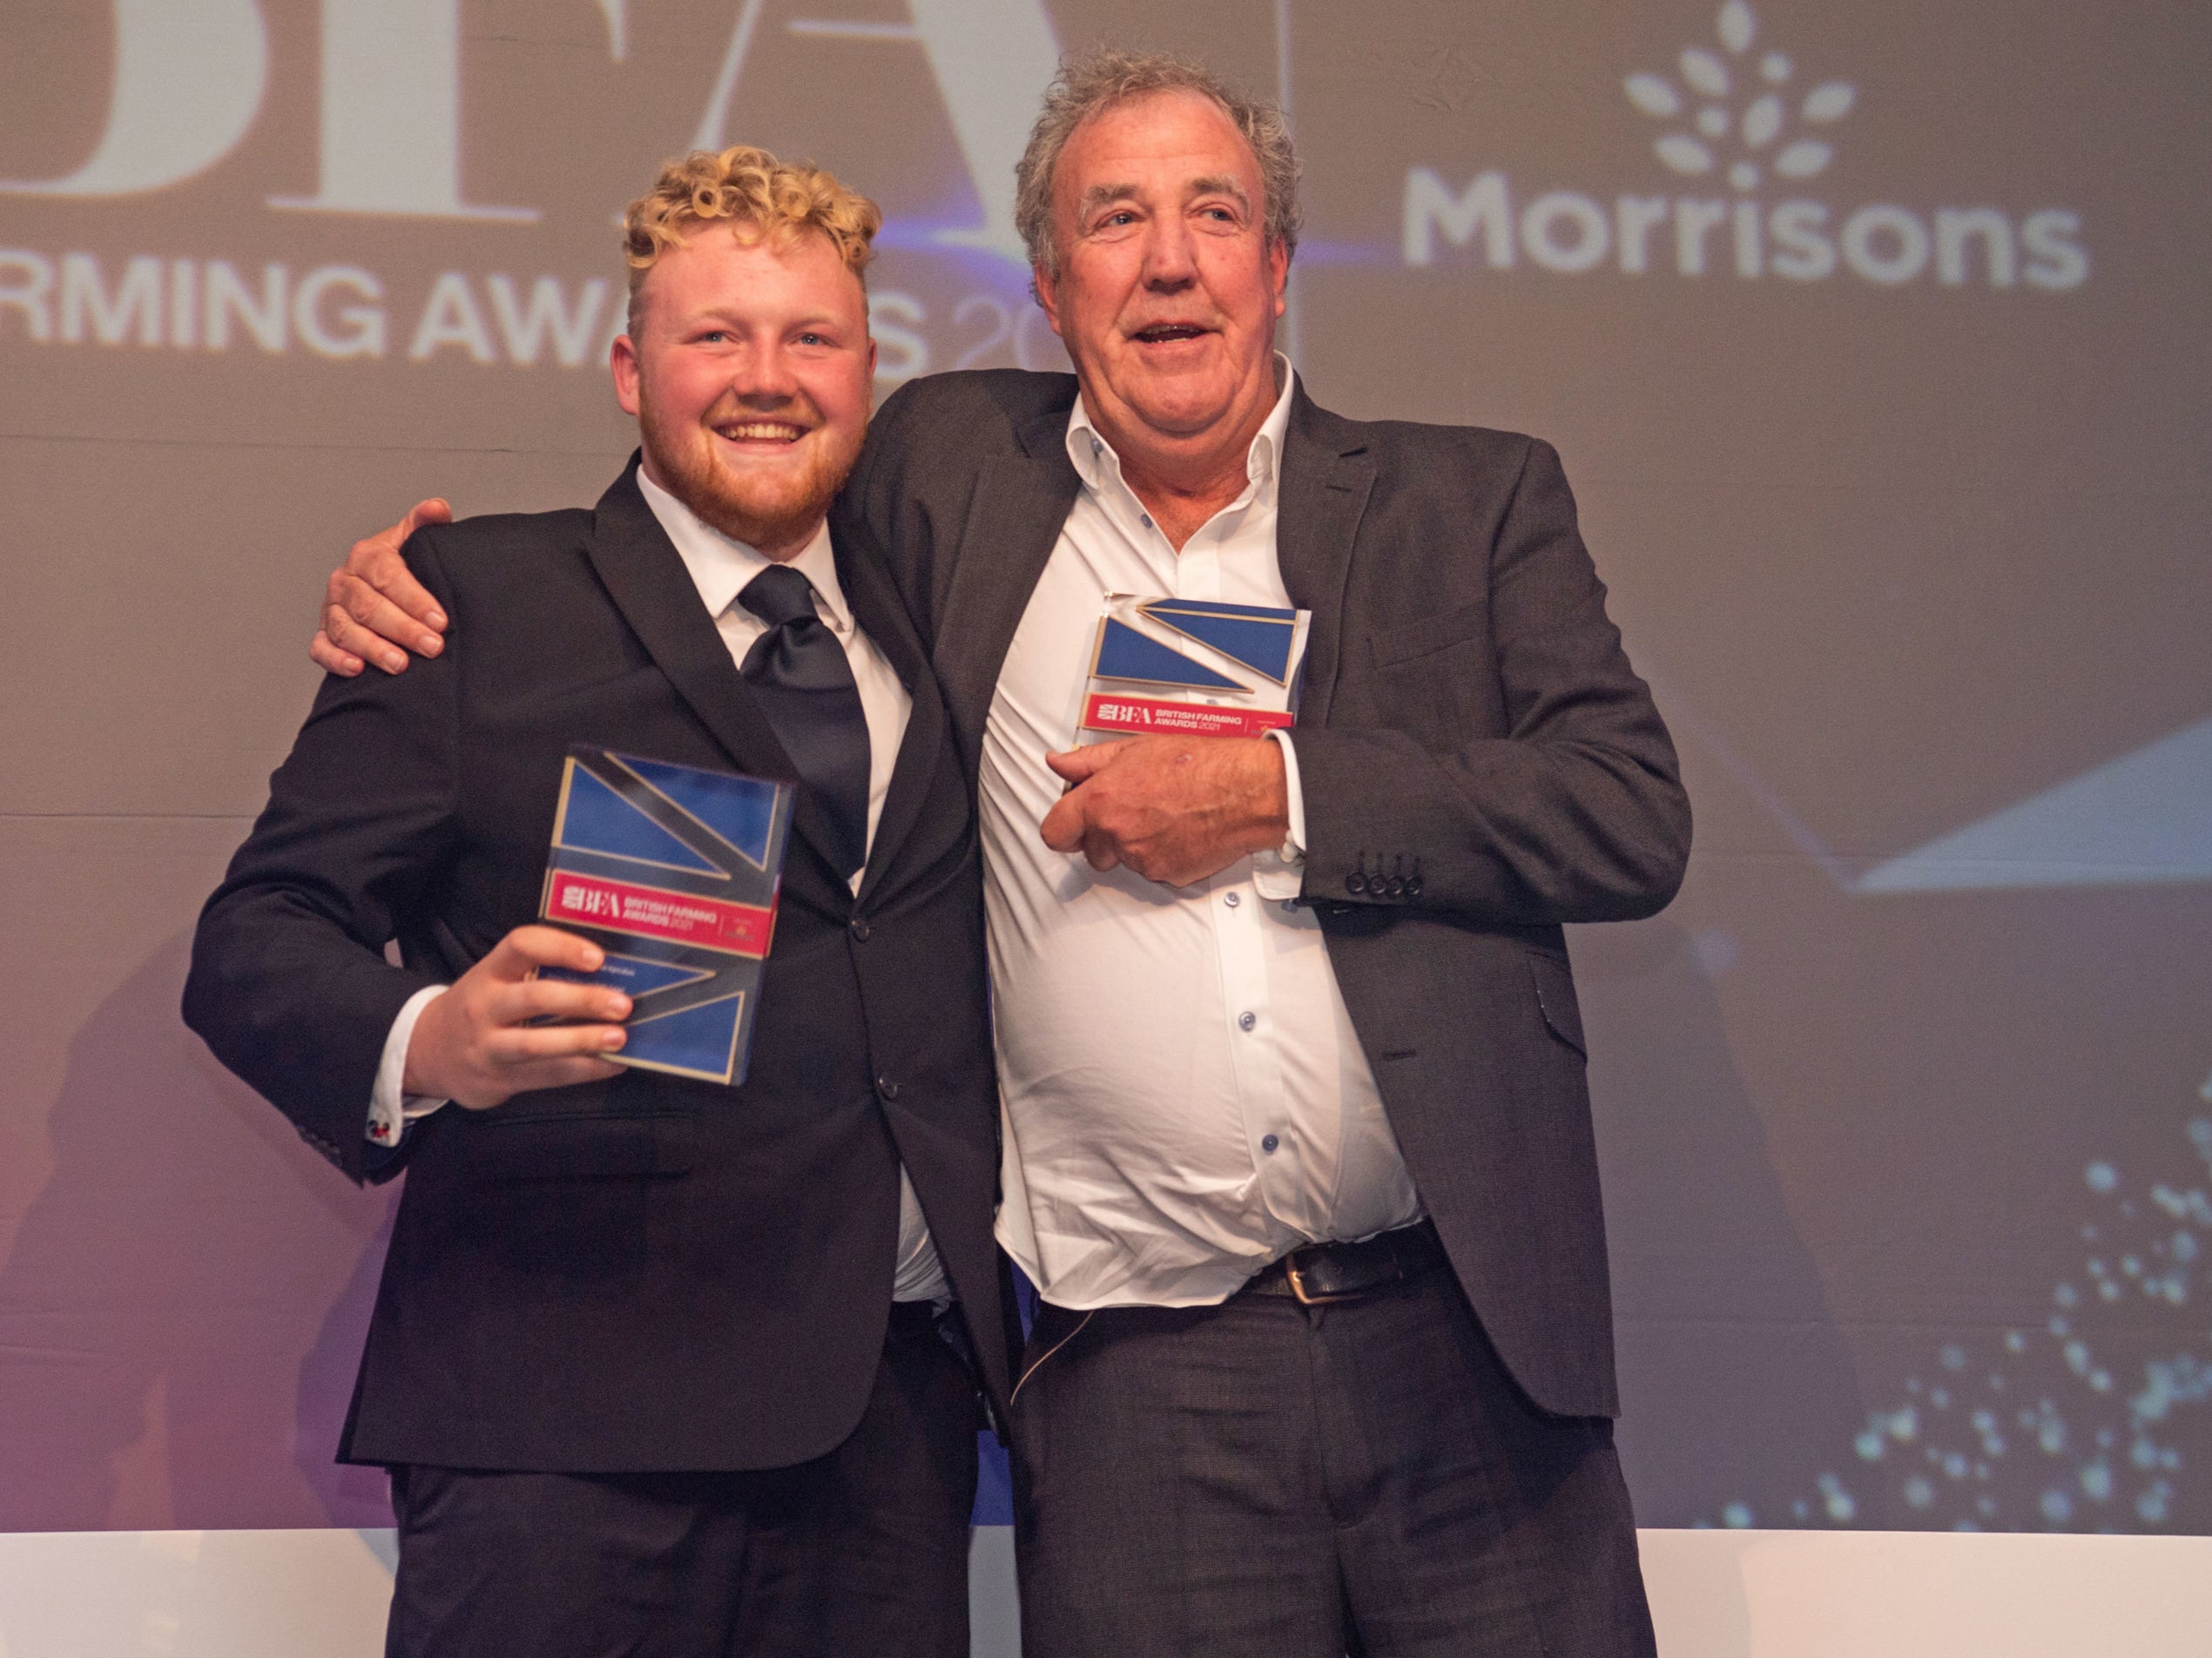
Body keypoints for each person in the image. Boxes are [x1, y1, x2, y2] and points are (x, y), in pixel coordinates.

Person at [317, 49, 1691, 1658]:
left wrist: (1282, 793)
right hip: (1137, 1385)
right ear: (1050, 286)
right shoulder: (948, 478)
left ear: (1279, 265)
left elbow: (1628, 809)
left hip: (1459, 1348)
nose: (1169, 258)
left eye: (1214, 214)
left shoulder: (1470, 502)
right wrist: (420, 585)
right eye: (1116, 219)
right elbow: (712, 509)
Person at [186, 147, 1011, 1658]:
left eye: (811, 339)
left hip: (886, 1435)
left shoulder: (943, 613)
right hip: (561, 1437)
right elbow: (254, 940)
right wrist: (427, 1042)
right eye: (716, 338)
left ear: (871, 373)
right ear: (630, 371)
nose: (767, 378)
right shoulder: (472, 602)